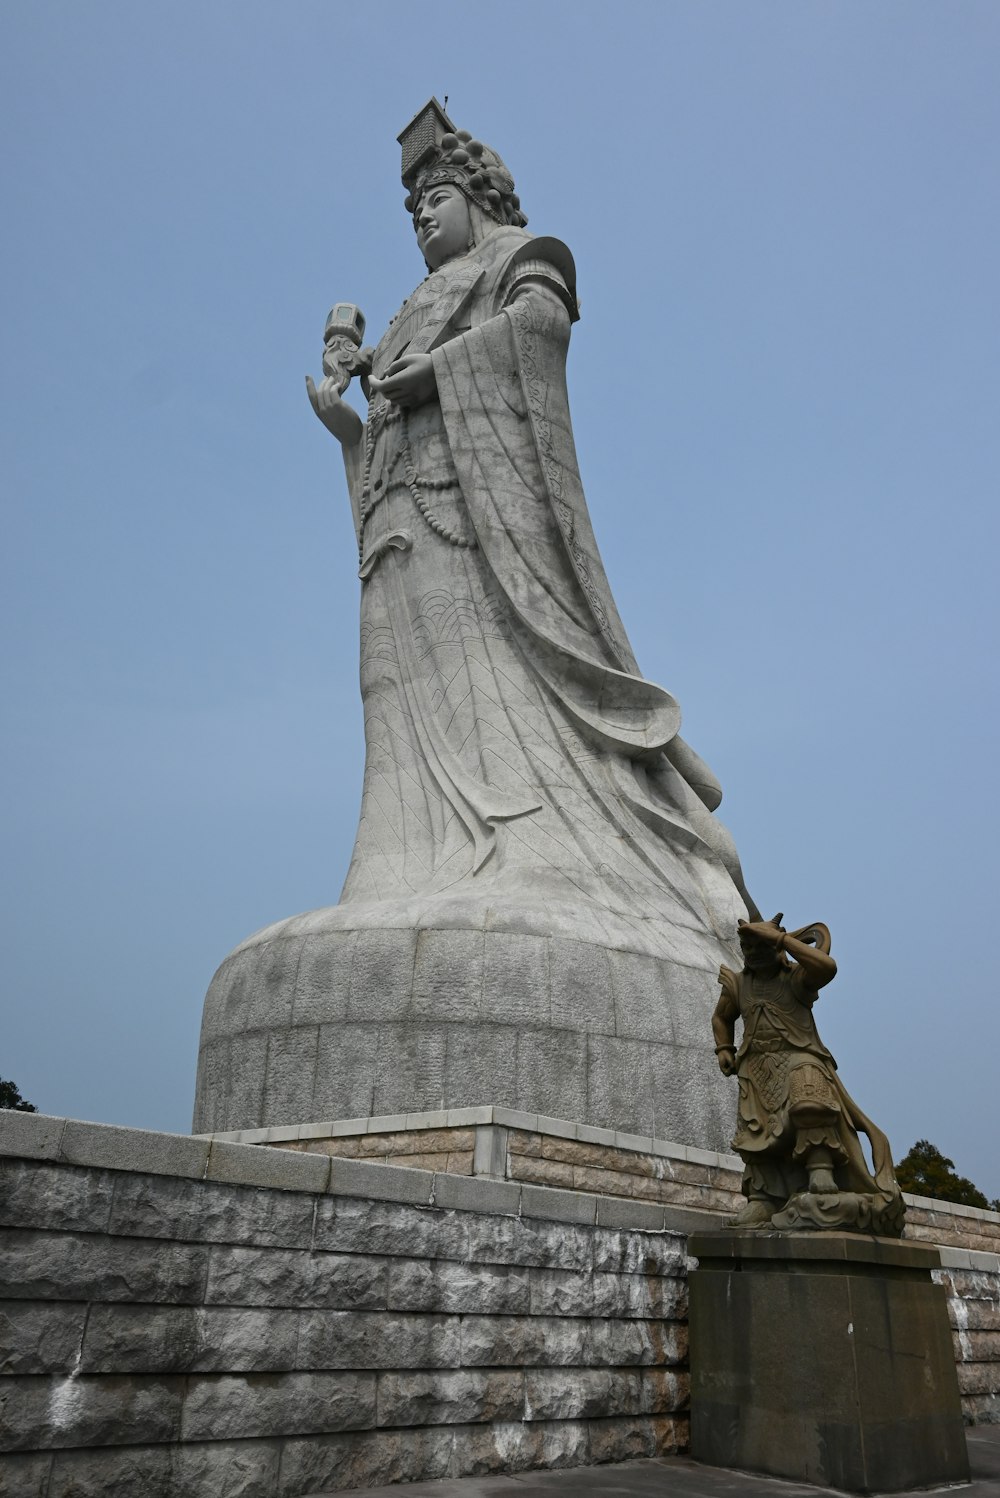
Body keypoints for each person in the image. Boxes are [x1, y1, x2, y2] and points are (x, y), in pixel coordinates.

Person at [307, 100, 757, 947]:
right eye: (410, 211)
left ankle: (540, 850)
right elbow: (388, 429)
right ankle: (400, 865)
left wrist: (436, 370)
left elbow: (542, 328)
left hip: (483, 522)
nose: (419, 219)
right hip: (405, 525)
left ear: (478, 198)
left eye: (432, 200)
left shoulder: (521, 256)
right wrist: (351, 429)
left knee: (497, 687)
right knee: (397, 690)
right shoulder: (409, 305)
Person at [713, 915, 903, 1233]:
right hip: (756, 1065)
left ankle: (821, 1170)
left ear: (776, 946)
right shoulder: (738, 983)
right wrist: (724, 1048)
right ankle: (762, 1199)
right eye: (747, 947)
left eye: (761, 946)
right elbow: (721, 1017)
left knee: (811, 1104)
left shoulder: (795, 979)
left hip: (799, 1057)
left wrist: (783, 941)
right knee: (754, 1132)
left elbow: (827, 968)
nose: (753, 953)